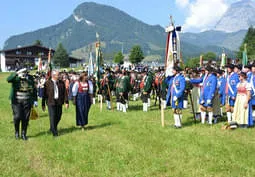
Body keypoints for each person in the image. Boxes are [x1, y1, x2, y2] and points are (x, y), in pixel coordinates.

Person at [7, 68, 38, 140]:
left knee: (26, 118)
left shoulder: (30, 78)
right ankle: (17, 132)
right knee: (17, 116)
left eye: (25, 72)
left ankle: (24, 134)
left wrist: (35, 100)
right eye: (23, 72)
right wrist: (17, 73)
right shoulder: (15, 78)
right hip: (16, 101)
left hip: (27, 101)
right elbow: (8, 79)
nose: (24, 73)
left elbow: (34, 89)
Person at [42, 70, 69, 137]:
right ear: (53, 76)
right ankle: (55, 132)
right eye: (58, 75)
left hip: (59, 102)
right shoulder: (47, 83)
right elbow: (44, 94)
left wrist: (66, 102)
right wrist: (43, 104)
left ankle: (52, 127)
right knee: (52, 116)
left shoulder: (61, 83)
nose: (59, 76)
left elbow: (65, 93)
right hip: (51, 102)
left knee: (58, 116)